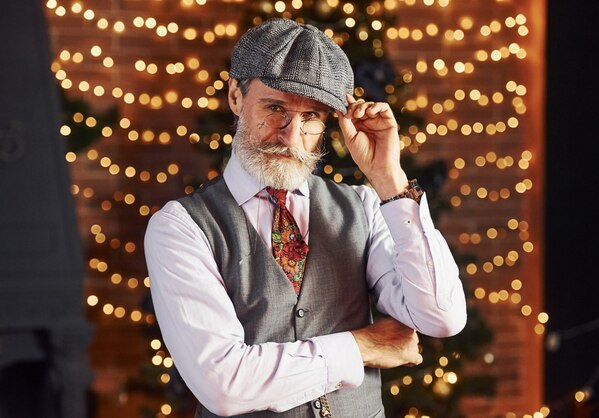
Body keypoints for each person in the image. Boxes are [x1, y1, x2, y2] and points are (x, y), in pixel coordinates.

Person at [144, 18, 467, 418]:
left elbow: (440, 316)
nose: (291, 135)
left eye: (312, 116)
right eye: (275, 107)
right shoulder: (180, 227)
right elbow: (224, 385)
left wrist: (389, 179)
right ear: (234, 96)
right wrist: (363, 345)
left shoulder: (366, 206)